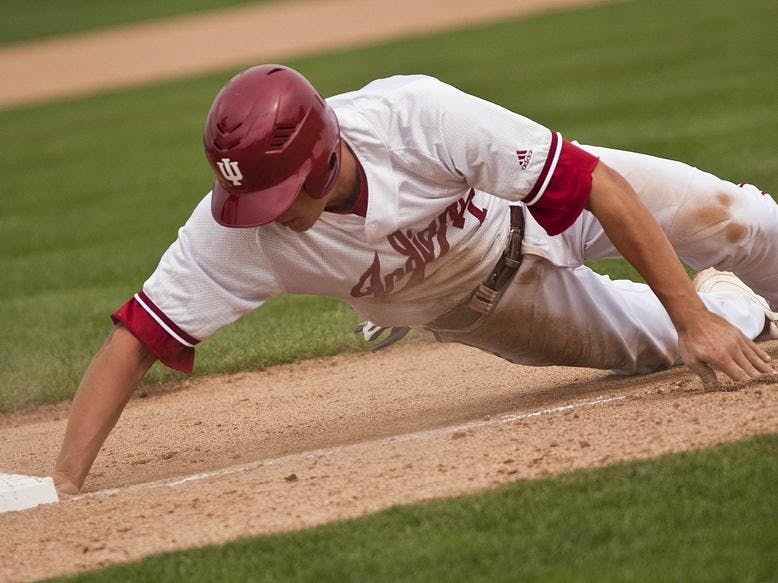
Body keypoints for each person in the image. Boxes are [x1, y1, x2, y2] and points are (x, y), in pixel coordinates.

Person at [52, 64, 778, 495]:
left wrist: (689, 317)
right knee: (685, 340)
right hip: (493, 307)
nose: (261, 214)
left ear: (322, 156)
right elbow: (137, 337)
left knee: (738, 218)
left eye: (276, 194)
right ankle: (734, 305)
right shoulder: (236, 230)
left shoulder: (415, 117)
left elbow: (595, 185)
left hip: (523, 205)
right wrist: (64, 480)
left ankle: (722, 296)